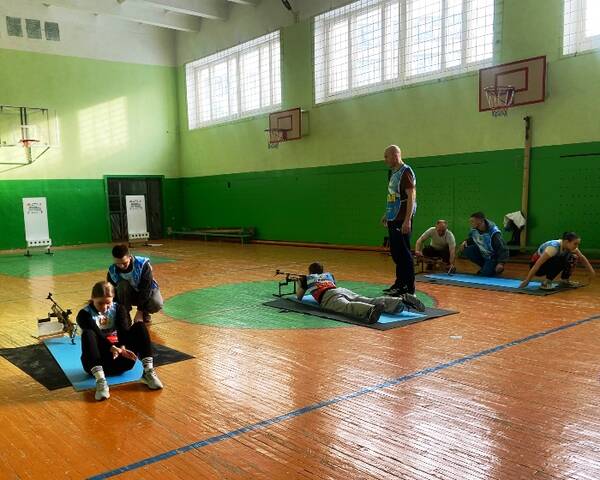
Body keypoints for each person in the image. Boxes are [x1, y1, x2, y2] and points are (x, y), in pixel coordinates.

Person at [77, 281, 163, 401]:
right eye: (100, 303)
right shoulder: (84, 314)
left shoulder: (119, 308)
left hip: (120, 358)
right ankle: (101, 382)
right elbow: (98, 336)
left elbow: (124, 331)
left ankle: (148, 372)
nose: (104, 307)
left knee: (139, 326)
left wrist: (122, 347)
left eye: (108, 303)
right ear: (92, 298)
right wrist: (112, 347)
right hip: (96, 362)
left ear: (113, 299)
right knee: (88, 334)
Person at [295, 262, 426, 325]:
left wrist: (299, 283)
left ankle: (370, 310)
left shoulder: (306, 278)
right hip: (341, 290)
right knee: (367, 299)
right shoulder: (329, 275)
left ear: (309, 271)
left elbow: (299, 297)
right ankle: (400, 301)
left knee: (347, 306)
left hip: (327, 296)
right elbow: (332, 283)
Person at [381, 145, 417, 296]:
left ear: (395, 155)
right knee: (396, 253)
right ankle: (399, 283)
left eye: (386, 156)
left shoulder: (406, 172)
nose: (385, 160)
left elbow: (411, 196)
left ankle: (409, 287)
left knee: (404, 253)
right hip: (393, 217)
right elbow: (394, 196)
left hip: (402, 218)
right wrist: (387, 213)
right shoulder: (392, 173)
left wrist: (407, 220)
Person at [107, 244, 163, 323]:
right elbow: (112, 294)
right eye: (117, 263)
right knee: (122, 285)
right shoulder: (112, 271)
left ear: (130, 257)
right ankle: (125, 314)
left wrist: (140, 311)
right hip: (127, 296)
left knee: (156, 303)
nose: (121, 266)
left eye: (124, 263)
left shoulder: (142, 264)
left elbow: (146, 289)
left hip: (146, 292)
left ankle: (145, 312)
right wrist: (118, 313)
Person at [519, 232, 595, 289]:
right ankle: (546, 283)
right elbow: (537, 264)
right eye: (575, 244)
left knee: (573, 257)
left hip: (547, 264)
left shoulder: (570, 247)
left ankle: (564, 280)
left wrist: (591, 271)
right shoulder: (553, 247)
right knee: (564, 256)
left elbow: (582, 257)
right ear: (566, 242)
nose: (576, 246)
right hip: (538, 268)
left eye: (578, 244)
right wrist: (527, 281)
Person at [459, 212, 509, 276]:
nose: (471, 223)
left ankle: (492, 268)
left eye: (472, 221)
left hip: (492, 257)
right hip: (483, 253)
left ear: (480, 221)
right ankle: (486, 267)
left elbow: (503, 248)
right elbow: (473, 239)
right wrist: (465, 242)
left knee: (485, 274)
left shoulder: (494, 232)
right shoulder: (474, 230)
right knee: (469, 250)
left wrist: (501, 263)